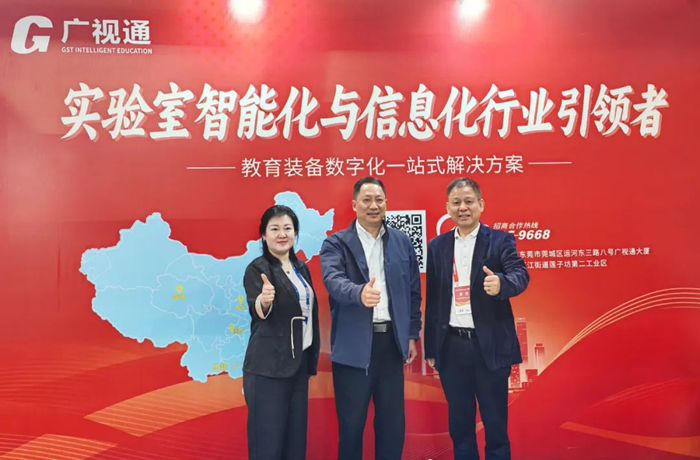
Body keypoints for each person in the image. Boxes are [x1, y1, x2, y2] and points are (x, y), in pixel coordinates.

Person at [424, 177, 529, 460]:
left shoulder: (500, 240)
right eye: (456, 202)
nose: (463, 208)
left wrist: (502, 283)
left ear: (481, 205)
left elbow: (520, 274)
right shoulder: (437, 246)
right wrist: (432, 348)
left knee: (495, 425)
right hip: (452, 347)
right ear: (448, 207)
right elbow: (433, 299)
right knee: (460, 427)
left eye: (469, 201)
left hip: (490, 347)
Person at [319, 177, 422, 460]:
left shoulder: (402, 241)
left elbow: (413, 291)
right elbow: (333, 280)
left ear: (386, 203)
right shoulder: (336, 243)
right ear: (354, 205)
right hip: (353, 348)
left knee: (392, 425)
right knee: (351, 426)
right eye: (366, 200)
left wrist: (411, 334)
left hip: (391, 345)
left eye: (379, 200)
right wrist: (358, 293)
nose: (373, 206)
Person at [242, 205, 321, 460]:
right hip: (268, 369)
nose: (282, 234)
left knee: (295, 445)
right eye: (274, 229)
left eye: (287, 228)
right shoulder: (258, 268)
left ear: (295, 233)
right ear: (264, 236)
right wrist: (264, 300)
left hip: (298, 367)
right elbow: (258, 309)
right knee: (268, 446)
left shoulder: (301, 268)